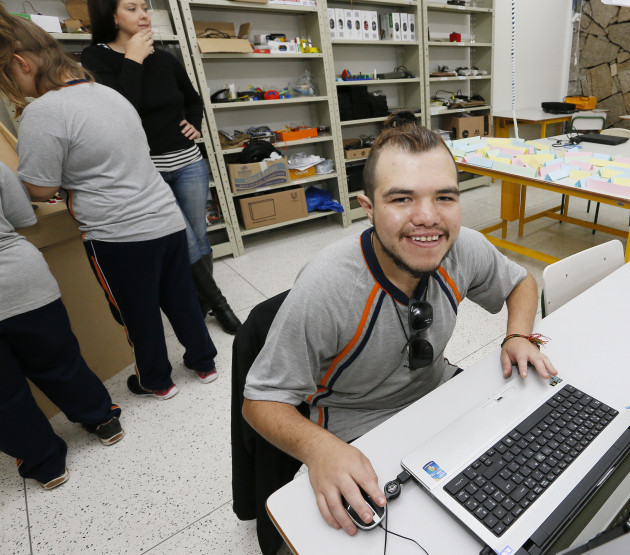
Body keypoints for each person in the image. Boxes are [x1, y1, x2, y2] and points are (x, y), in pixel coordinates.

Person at [242, 112, 557, 536]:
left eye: (444, 197)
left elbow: (521, 282)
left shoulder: (462, 247)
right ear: (368, 208)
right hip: (355, 425)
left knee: (526, 481)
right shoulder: (327, 286)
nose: (428, 217)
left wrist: (518, 334)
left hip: (440, 395)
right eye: (402, 199)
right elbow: (260, 399)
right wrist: (319, 450)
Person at [0, 7, 218, 400]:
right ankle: (205, 363)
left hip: (118, 233)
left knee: (137, 313)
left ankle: (156, 380)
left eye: (7, 76)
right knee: (181, 298)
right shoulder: (107, 93)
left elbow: (36, 189)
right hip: (165, 218)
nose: (12, 86)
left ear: (20, 63)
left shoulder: (43, 112)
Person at [82, 0, 241, 333]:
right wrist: (134, 59)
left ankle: (199, 306)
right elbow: (119, 111)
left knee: (198, 235)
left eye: (145, 7)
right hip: (147, 170)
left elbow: (193, 98)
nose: (143, 14)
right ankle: (221, 305)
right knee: (185, 240)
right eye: (132, 8)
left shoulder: (166, 58)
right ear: (112, 16)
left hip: (188, 163)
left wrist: (194, 123)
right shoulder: (95, 58)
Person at [0, 162, 124, 491]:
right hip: (21, 281)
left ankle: (44, 463)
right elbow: (24, 218)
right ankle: (103, 419)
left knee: (4, 396)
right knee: (58, 362)